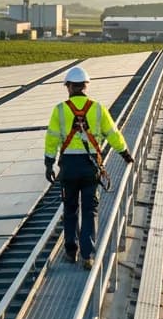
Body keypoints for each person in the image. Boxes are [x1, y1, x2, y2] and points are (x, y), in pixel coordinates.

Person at [44, 65, 134, 269]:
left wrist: (49, 164)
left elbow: (51, 139)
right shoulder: (98, 109)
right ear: (86, 86)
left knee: (70, 209)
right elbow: (113, 133)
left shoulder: (60, 110)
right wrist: (125, 154)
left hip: (68, 167)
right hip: (91, 166)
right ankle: (88, 256)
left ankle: (71, 251)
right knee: (90, 210)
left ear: (69, 86)